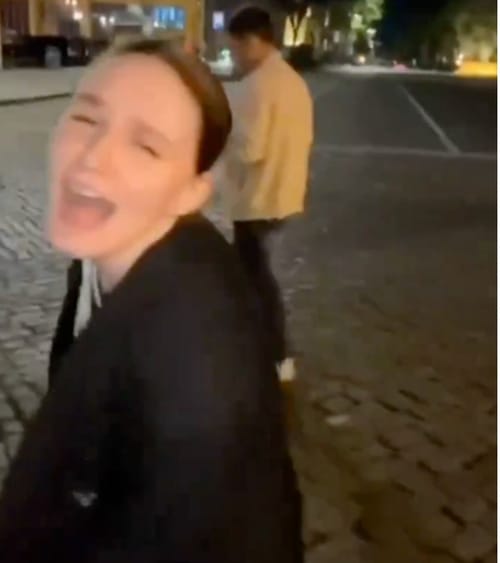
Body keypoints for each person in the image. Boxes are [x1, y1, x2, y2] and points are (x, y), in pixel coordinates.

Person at [0, 39, 303, 562]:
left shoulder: (194, 363)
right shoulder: (113, 248)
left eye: (147, 146)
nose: (92, 159)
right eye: (85, 119)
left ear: (191, 192)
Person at [223, 6, 314, 384]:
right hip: (283, 193)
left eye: (236, 48)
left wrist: (222, 135)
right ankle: (255, 346)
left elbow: (249, 148)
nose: (236, 56)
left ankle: (277, 355)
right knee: (248, 276)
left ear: (253, 41)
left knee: (256, 280)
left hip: (257, 199)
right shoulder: (291, 79)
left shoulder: (257, 85)